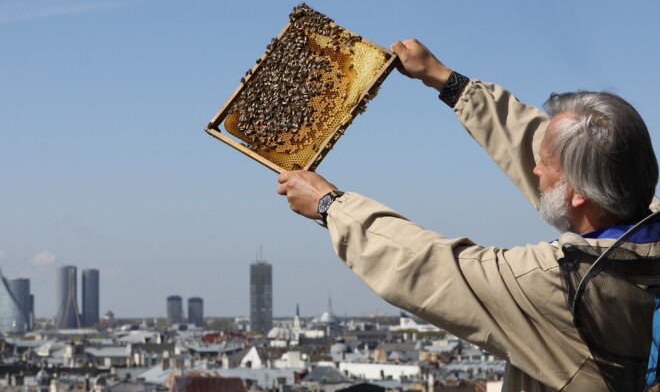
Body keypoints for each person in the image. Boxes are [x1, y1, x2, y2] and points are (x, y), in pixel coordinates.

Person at [276, 38, 660, 391]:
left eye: (545, 164)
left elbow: (429, 269)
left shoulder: (558, 286)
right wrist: (449, 82)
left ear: (578, 193)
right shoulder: (644, 223)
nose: (536, 170)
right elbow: (552, 145)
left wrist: (331, 206)